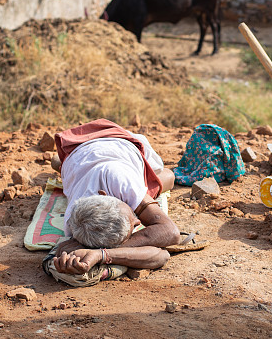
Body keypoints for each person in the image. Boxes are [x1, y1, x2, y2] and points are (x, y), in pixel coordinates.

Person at [44, 119, 180, 286]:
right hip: (77, 154)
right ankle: (60, 162)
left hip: (118, 139)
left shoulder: (120, 180)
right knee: (59, 163)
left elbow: (171, 234)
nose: (138, 220)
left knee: (169, 177)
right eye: (134, 218)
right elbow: (161, 255)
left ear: (106, 194)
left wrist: (104, 253)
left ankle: (61, 162)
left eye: (132, 213)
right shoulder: (76, 226)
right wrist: (105, 254)